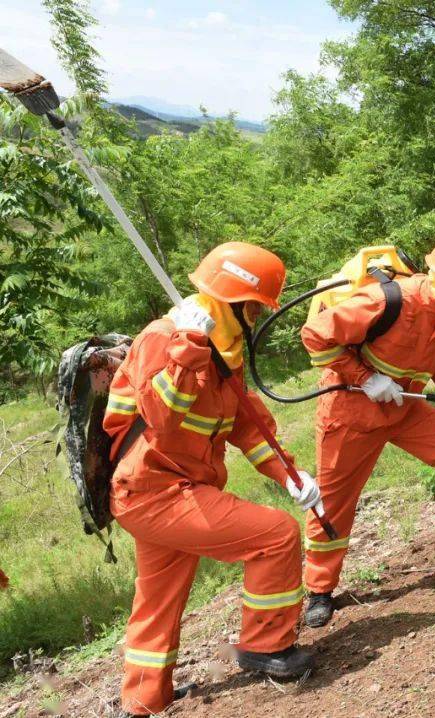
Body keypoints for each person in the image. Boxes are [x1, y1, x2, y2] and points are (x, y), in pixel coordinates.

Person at [103, 242, 321, 717]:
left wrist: (289, 473)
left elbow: (247, 423)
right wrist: (188, 347)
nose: (258, 318)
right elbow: (161, 417)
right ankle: (266, 647)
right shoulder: (165, 338)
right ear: (235, 304)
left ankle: (143, 702)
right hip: (154, 491)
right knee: (276, 536)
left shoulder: (224, 351)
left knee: (157, 603)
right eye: (254, 307)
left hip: (168, 491)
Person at [300, 228, 435, 628]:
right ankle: (319, 591)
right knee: (333, 503)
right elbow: (315, 335)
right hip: (351, 410)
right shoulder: (387, 299)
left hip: (403, 407)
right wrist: (365, 377)